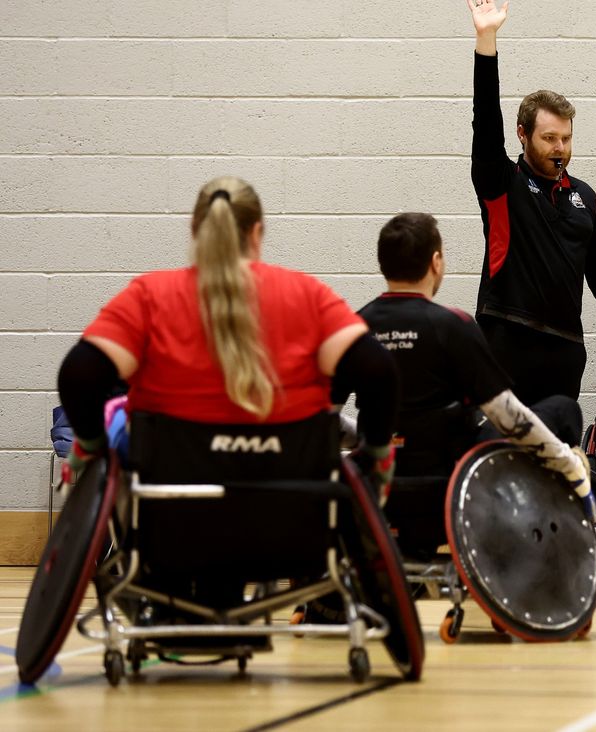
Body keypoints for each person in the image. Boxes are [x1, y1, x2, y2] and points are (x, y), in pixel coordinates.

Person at [55, 176, 399, 608]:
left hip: (171, 526)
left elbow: (79, 374)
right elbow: (379, 370)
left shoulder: (150, 296)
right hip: (286, 530)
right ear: (258, 232)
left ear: (194, 230)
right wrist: (376, 457)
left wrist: (88, 447)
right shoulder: (307, 295)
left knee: (118, 428)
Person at [342, 212, 596, 528]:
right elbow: (506, 415)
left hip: (377, 485)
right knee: (563, 408)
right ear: (436, 262)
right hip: (450, 488)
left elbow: (324, 421)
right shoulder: (454, 325)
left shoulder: (352, 327)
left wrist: (372, 440)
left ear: (383, 264)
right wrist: (567, 462)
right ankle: (555, 519)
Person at [467, 0, 596, 403]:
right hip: (507, 335)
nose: (559, 147)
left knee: (557, 457)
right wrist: (486, 42)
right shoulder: (500, 183)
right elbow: (485, 123)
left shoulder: (584, 196)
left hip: (565, 347)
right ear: (523, 134)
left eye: (565, 138)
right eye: (549, 138)